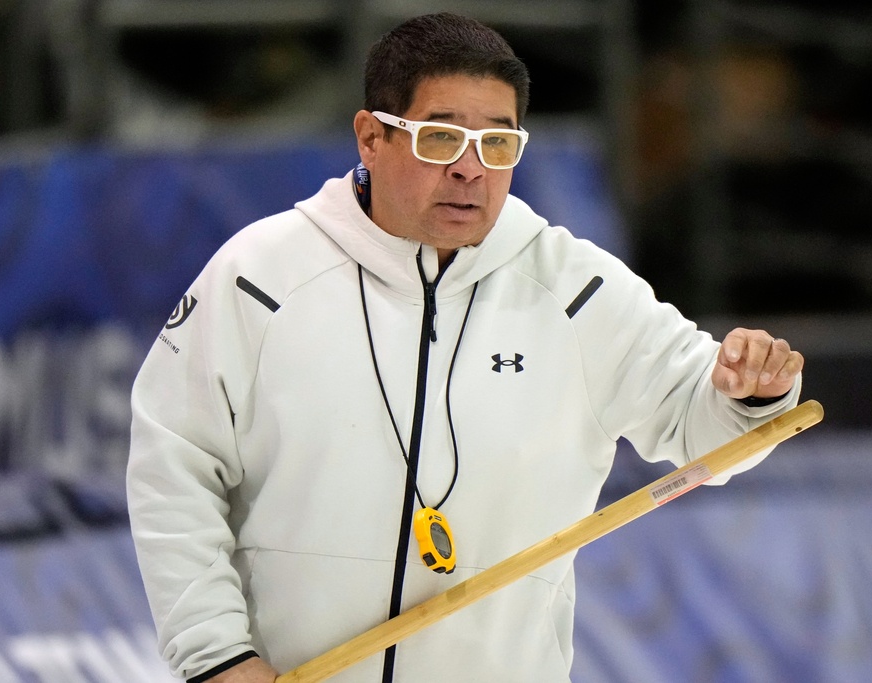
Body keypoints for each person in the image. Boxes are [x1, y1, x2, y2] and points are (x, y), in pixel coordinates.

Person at [126, 12, 804, 683]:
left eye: (498, 146)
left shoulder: (574, 289)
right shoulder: (261, 276)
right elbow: (174, 465)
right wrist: (217, 655)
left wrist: (749, 393)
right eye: (441, 139)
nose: (470, 171)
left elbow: (703, 429)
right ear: (371, 137)